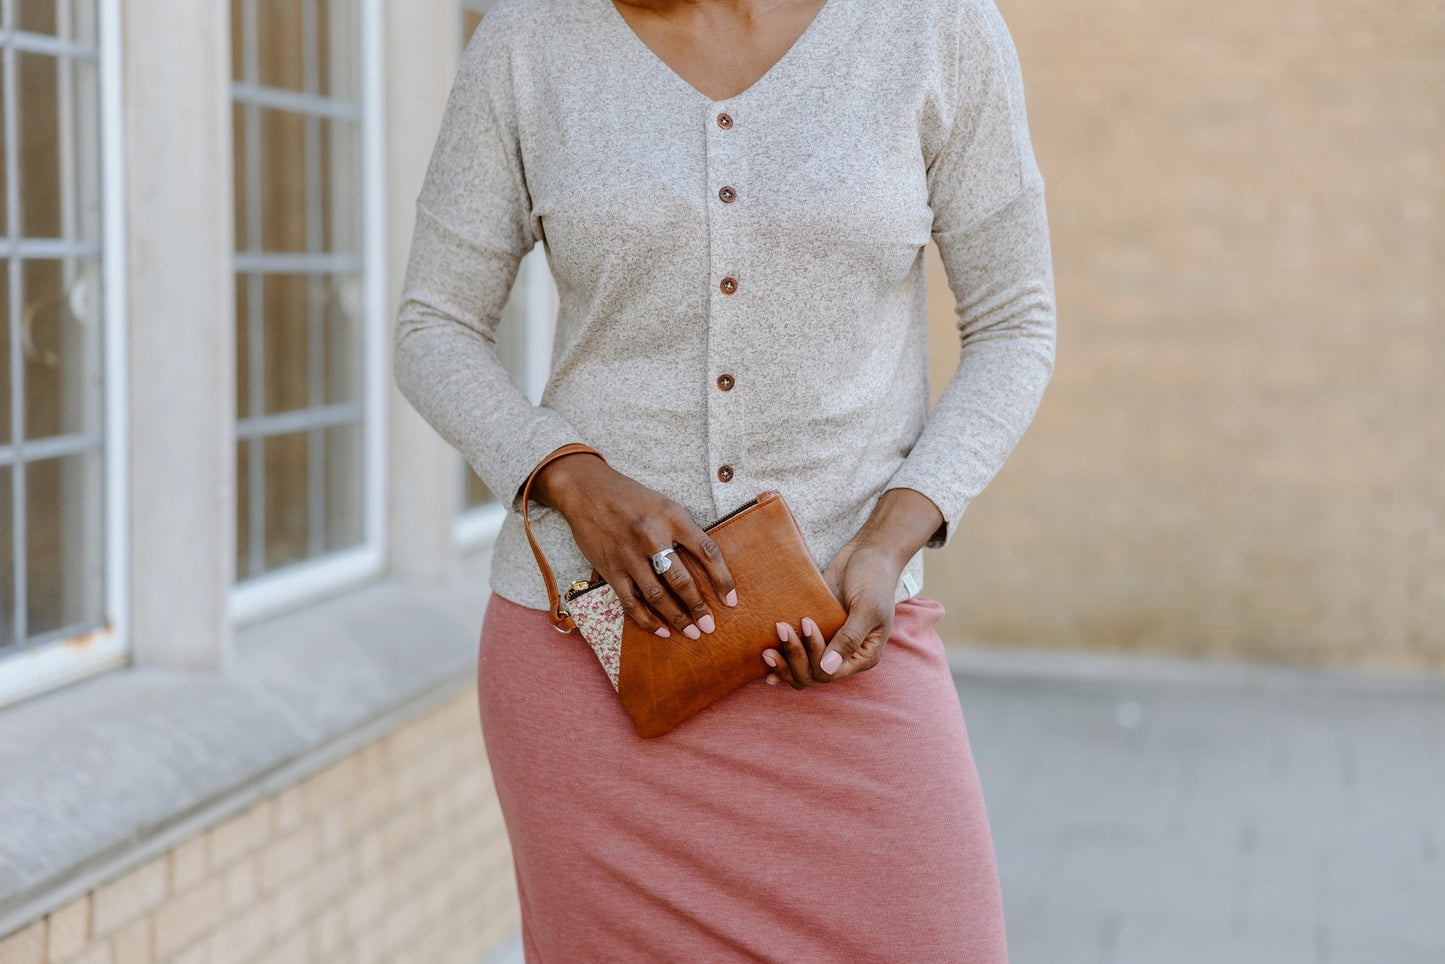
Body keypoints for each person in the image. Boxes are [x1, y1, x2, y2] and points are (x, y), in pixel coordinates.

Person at [393, 0, 1055, 959]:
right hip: (596, 658)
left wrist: (889, 540)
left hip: (840, 641)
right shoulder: (529, 42)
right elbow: (432, 328)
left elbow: (1015, 324)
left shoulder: (932, 28)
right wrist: (571, 477)